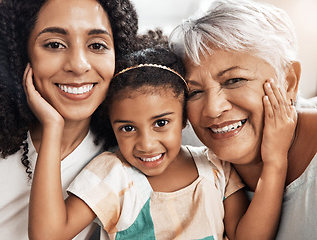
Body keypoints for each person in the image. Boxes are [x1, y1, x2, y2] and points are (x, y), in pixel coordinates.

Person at [26, 45, 296, 240]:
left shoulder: (215, 165)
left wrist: (275, 162)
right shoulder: (114, 174)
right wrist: (53, 127)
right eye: (128, 128)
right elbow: (48, 234)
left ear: (184, 120)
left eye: (161, 123)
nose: (146, 143)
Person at [0, 0, 138, 239]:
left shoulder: (125, 155)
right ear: (21, 54)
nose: (78, 65)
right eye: (55, 44)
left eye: (96, 45)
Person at [169, 0, 317, 239]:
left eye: (234, 80)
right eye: (194, 92)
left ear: (288, 81)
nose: (213, 109)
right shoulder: (184, 154)